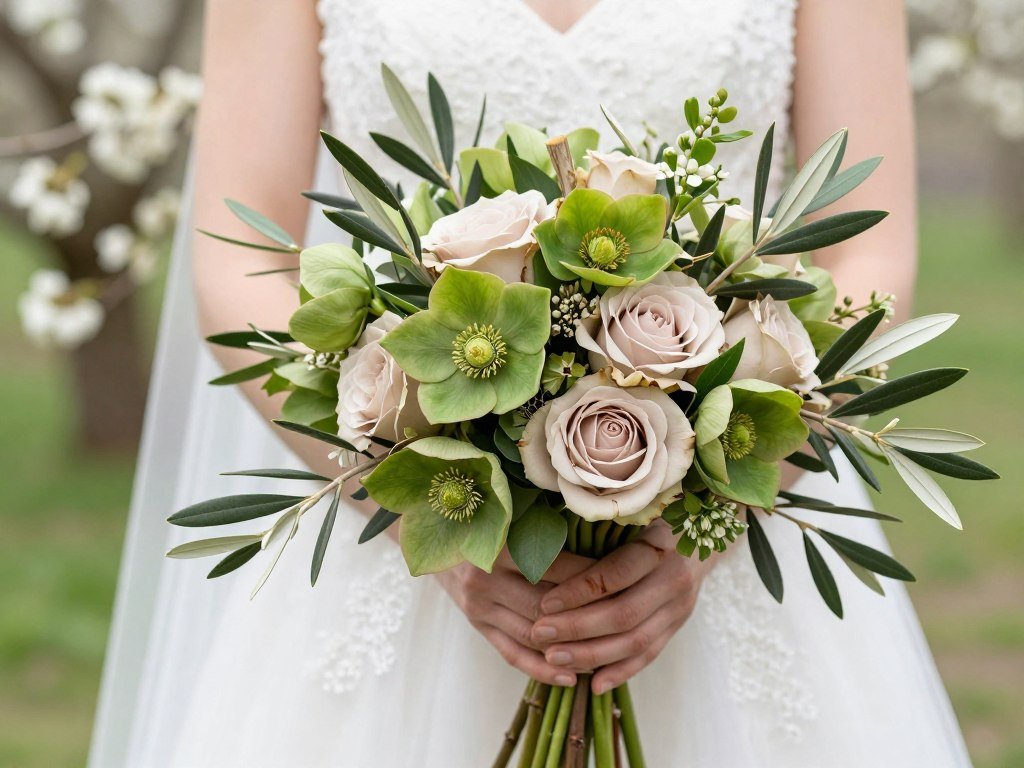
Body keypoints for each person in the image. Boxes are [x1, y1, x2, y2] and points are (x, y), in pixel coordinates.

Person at [90, 1, 971, 765]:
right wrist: (413, 511)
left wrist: (713, 522)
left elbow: (868, 253)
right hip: (405, 515)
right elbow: (237, 263)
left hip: (733, 531)